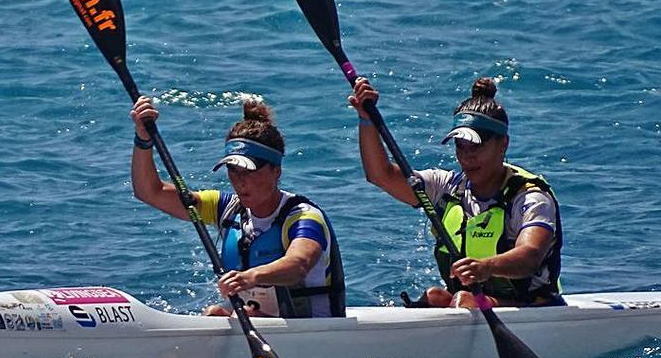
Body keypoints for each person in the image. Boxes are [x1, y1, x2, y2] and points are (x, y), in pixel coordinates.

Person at [349, 77, 563, 309]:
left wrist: (486, 267)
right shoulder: (446, 187)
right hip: (475, 302)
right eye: (460, 146)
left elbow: (530, 255)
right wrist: (366, 120)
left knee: (462, 299)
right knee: (434, 296)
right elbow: (381, 176)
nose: (467, 156)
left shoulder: (529, 197)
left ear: (503, 144)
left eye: (477, 146)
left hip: (534, 307)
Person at [129, 96, 345, 318]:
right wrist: (143, 139)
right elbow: (149, 192)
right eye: (233, 170)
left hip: (311, 332)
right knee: (213, 313)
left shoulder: (304, 217)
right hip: (252, 324)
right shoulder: (225, 208)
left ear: (276, 171)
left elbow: (298, 264)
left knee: (238, 315)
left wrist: (251, 277)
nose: (240, 181)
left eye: (249, 171)